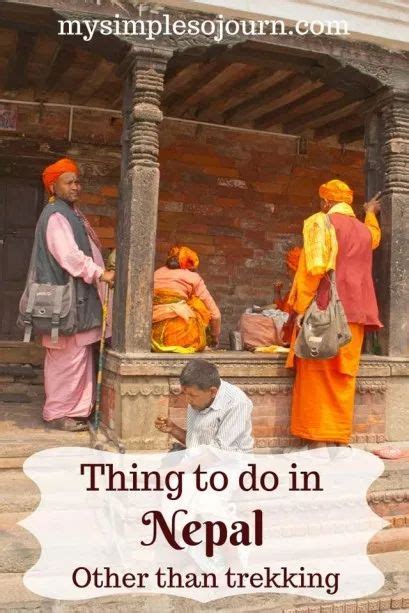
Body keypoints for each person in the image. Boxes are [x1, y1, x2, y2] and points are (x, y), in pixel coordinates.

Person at [286, 179, 382, 447]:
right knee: (344, 374)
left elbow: (312, 269)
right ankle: (338, 438)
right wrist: (371, 214)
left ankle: (317, 439)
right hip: (356, 315)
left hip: (326, 310)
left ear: (325, 202)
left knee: (317, 370)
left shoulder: (321, 222)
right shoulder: (364, 231)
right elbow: (374, 238)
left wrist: (300, 308)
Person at [35, 158, 114, 431]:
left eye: (77, 181)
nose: (76, 186)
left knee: (78, 357)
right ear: (53, 186)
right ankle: (58, 412)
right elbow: (69, 255)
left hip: (78, 300)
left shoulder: (71, 213)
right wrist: (100, 273)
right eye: (69, 182)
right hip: (65, 301)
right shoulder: (56, 215)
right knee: (66, 359)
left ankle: (77, 410)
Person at [155, 359, 253, 451]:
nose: (188, 400)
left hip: (228, 464)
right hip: (201, 459)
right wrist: (173, 429)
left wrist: (184, 466)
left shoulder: (236, 403)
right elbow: (194, 444)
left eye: (192, 395)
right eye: (185, 394)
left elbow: (220, 451)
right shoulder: (198, 398)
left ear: (212, 391)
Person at [152, 246, 221, 353]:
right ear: (191, 264)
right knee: (198, 304)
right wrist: (214, 338)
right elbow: (215, 315)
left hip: (152, 336)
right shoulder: (193, 277)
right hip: (182, 338)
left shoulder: (156, 273)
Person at [273, 246, 302, 345]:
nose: (288, 273)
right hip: (287, 338)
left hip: (294, 341)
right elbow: (281, 311)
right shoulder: (291, 292)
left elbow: (286, 318)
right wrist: (277, 292)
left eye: (290, 269)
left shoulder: (303, 293)